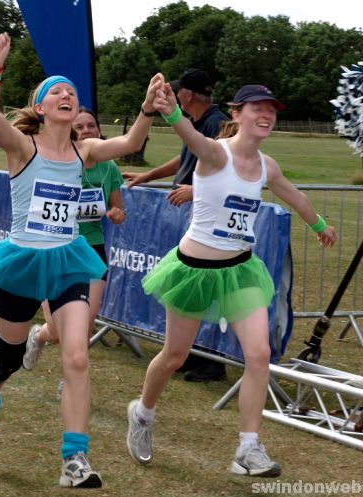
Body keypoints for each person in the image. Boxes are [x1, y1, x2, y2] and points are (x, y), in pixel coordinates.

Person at [0, 32, 162, 489]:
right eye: (57, 90)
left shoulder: (85, 150)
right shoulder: (22, 147)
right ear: (41, 107)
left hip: (70, 260)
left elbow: (132, 140)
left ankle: (74, 459)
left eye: (72, 91)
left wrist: (149, 106)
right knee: (6, 358)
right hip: (22, 260)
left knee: (76, 356)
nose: (67, 94)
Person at [126, 82, 337, 477]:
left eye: (272, 110)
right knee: (173, 356)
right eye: (257, 107)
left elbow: (297, 198)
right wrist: (171, 111)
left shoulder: (267, 166)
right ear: (236, 114)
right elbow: (187, 133)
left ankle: (247, 449)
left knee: (258, 356)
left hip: (240, 270)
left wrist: (321, 225)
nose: (267, 115)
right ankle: (142, 413)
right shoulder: (214, 154)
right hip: (194, 271)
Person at [123, 68, 229, 382]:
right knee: (190, 287)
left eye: (178, 91)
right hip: (190, 212)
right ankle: (190, 354)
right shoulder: (197, 122)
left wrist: (196, 190)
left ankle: (214, 359)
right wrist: (148, 175)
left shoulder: (217, 122)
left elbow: (231, 169)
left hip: (207, 216)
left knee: (206, 287)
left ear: (185, 95)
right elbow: (183, 158)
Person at [22, 107, 127, 381]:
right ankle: (40, 335)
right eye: (79, 127)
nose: (87, 131)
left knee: (84, 326)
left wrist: (116, 214)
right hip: (54, 248)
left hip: (91, 250)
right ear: (70, 132)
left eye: (91, 125)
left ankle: (70, 379)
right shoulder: (59, 162)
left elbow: (118, 210)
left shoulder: (110, 167)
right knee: (57, 329)